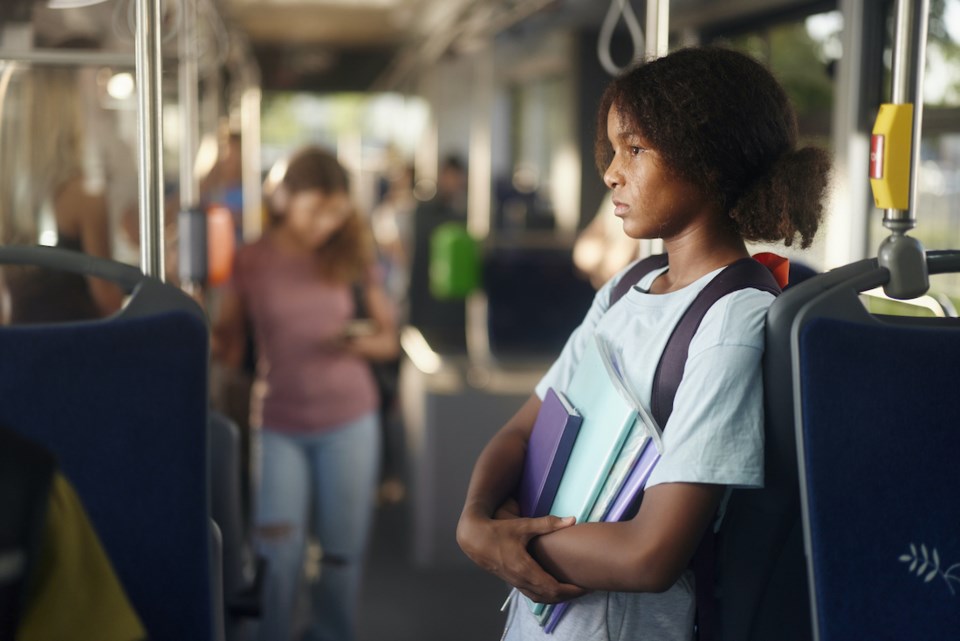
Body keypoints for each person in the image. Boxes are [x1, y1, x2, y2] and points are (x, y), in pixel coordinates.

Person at [456, 46, 830, 641]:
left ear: (706, 159)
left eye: (635, 149)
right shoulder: (626, 287)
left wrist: (507, 543)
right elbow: (526, 426)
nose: (611, 171)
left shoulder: (732, 318)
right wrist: (476, 520)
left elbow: (649, 554)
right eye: (614, 149)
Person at [213, 147, 399, 641]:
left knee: (341, 553)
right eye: (315, 209)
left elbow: (389, 339)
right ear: (283, 199)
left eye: (336, 212)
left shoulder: (351, 253)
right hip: (278, 424)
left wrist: (353, 341)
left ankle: (330, 634)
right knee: (277, 551)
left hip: (350, 420)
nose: (326, 223)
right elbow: (227, 345)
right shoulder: (251, 258)